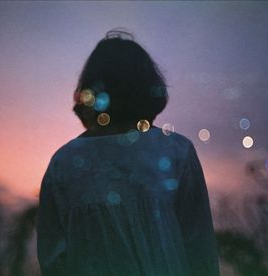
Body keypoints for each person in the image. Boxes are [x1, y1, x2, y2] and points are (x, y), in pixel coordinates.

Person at [37, 28, 220, 276]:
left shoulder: (64, 163)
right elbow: (201, 253)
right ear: (147, 86)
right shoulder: (176, 152)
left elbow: (53, 261)